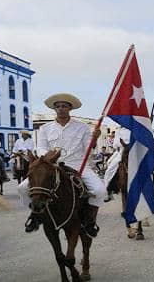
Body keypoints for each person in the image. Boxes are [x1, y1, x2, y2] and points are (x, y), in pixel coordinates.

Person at [19, 93, 106, 237]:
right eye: (58, 106)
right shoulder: (45, 128)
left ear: (70, 108)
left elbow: (88, 148)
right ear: (54, 109)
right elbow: (40, 147)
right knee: (22, 188)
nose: (60, 109)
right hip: (52, 165)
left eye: (64, 106)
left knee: (99, 190)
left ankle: (90, 221)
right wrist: (49, 156)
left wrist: (94, 139)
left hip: (77, 164)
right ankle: (35, 215)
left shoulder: (82, 127)